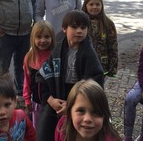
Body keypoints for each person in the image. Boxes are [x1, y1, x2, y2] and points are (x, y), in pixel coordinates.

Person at [35, 10, 104, 141]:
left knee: (72, 135)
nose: (79, 31)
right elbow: (43, 75)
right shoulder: (57, 50)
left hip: (80, 99)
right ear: (64, 28)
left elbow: (96, 80)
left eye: (83, 27)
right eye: (74, 27)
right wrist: (50, 100)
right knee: (45, 133)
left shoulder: (89, 54)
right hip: (56, 98)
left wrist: (72, 105)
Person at [55, 79, 121, 141]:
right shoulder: (62, 128)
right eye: (81, 111)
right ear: (70, 112)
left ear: (104, 116)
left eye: (96, 112)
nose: (87, 119)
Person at [23, 20, 55, 129]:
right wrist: (27, 98)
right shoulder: (29, 57)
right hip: (36, 102)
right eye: (39, 37)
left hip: (53, 102)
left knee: (51, 127)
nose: (43, 40)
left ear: (52, 38)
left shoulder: (54, 56)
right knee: (37, 127)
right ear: (33, 38)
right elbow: (27, 80)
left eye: (47, 37)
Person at [82, 0, 118, 77]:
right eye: (91, 4)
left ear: (102, 6)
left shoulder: (108, 24)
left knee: (97, 89)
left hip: (101, 66)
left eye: (97, 4)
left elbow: (113, 47)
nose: (94, 7)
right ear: (85, 5)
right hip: (83, 65)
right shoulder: (80, 22)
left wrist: (112, 67)